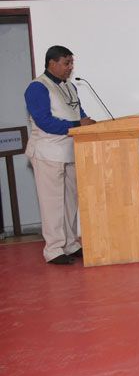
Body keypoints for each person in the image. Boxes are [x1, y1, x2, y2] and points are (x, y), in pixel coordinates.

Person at [23, 45, 96, 265]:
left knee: (70, 203)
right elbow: (45, 122)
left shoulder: (70, 87)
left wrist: (89, 124)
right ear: (52, 63)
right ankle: (54, 250)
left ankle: (71, 244)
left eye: (72, 63)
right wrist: (77, 124)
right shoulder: (37, 87)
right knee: (52, 203)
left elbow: (79, 114)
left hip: (70, 151)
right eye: (67, 63)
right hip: (47, 153)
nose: (70, 67)